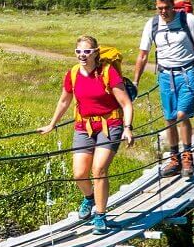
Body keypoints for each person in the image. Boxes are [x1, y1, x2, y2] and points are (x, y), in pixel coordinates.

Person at [38, 36, 135, 233]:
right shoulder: (73, 73)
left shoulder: (108, 72)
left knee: (98, 170)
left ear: (96, 52)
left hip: (111, 124)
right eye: (79, 52)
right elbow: (64, 101)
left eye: (87, 52)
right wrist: (51, 124)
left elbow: (126, 103)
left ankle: (100, 216)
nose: (82, 55)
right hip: (84, 126)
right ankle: (89, 198)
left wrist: (127, 127)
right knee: (79, 174)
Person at [131, 0, 194, 179]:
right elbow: (143, 55)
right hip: (165, 75)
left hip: (187, 73)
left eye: (167, 8)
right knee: (169, 117)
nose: (163, 12)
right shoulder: (152, 25)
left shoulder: (188, 20)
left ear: (174, 5)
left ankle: (187, 155)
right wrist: (135, 82)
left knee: (182, 114)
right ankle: (174, 159)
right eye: (159, 8)